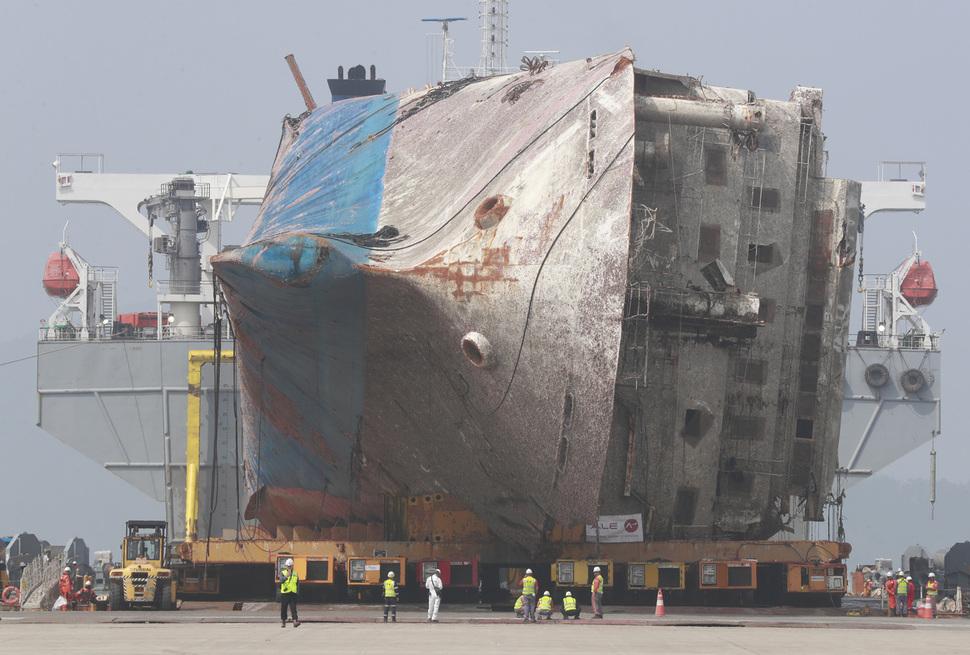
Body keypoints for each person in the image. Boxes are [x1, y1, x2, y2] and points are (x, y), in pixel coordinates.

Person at [279, 558, 300, 628]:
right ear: (286, 566)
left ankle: (295, 621)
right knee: (283, 608)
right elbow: (281, 580)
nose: (289, 567)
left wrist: (297, 592)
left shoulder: (295, 573)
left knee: (293, 608)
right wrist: (286, 576)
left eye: (290, 566)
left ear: (292, 566)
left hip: (293, 593)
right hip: (285, 593)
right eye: (288, 566)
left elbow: (297, 583)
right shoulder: (283, 573)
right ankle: (283, 621)